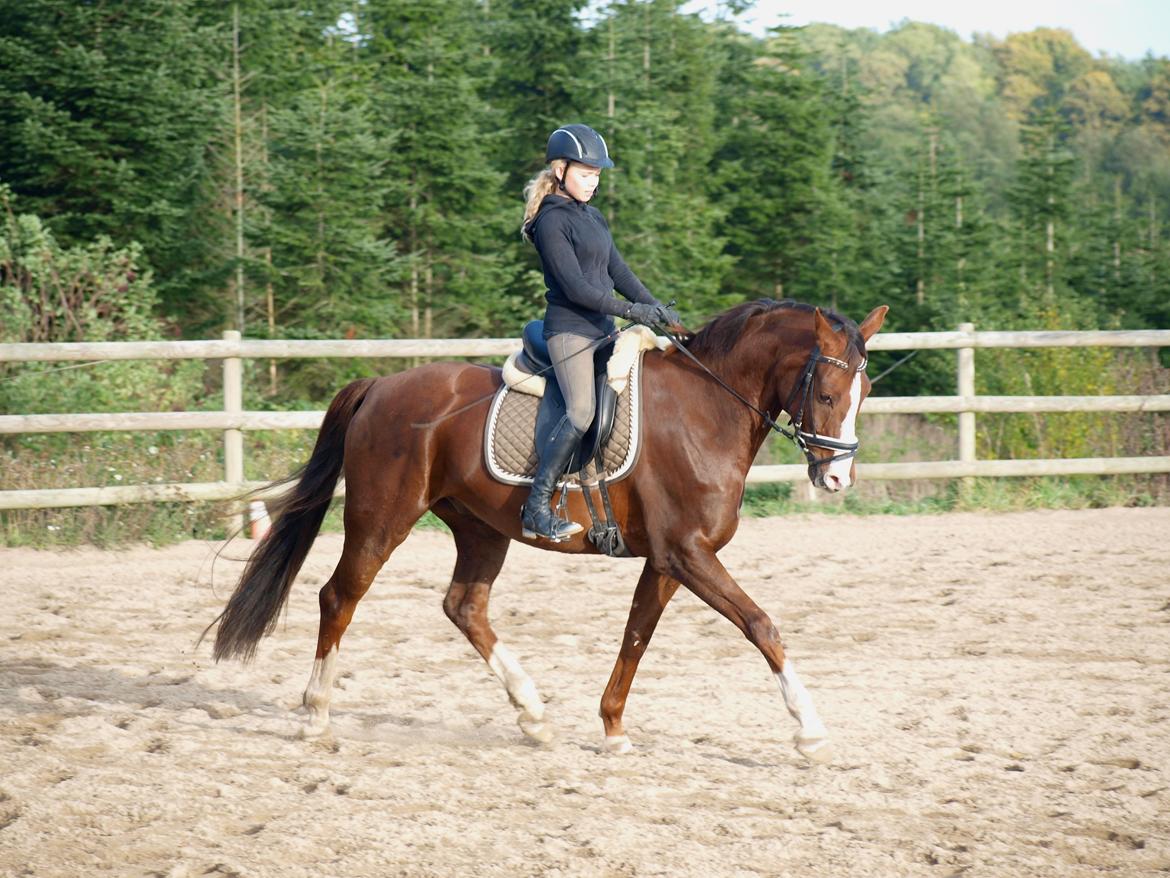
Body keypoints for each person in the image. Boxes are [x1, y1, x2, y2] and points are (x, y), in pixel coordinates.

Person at [518, 123, 681, 542]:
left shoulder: (592, 215)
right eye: (585, 173)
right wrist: (632, 310)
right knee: (581, 412)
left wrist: (656, 309)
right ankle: (536, 507)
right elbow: (576, 289)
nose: (593, 182)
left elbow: (617, 271)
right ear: (560, 170)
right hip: (570, 333)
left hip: (604, 331)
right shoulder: (552, 221)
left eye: (596, 175)